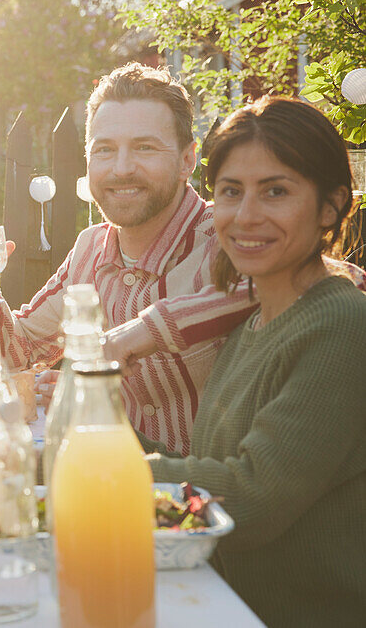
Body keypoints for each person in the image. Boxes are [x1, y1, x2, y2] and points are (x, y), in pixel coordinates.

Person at [0, 63, 365, 455]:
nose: (121, 168)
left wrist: (146, 330)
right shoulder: (91, 248)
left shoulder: (233, 234)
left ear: (187, 159)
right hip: (128, 485)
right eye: (105, 150)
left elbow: (339, 282)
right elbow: (21, 352)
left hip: (225, 502)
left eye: (145, 148)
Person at [143, 96, 366, 627]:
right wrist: (85, 432)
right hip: (217, 605)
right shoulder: (251, 328)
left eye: (276, 191)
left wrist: (97, 470)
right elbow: (212, 471)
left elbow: (251, 496)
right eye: (230, 192)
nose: (246, 217)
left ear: (331, 206)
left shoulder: (342, 325)